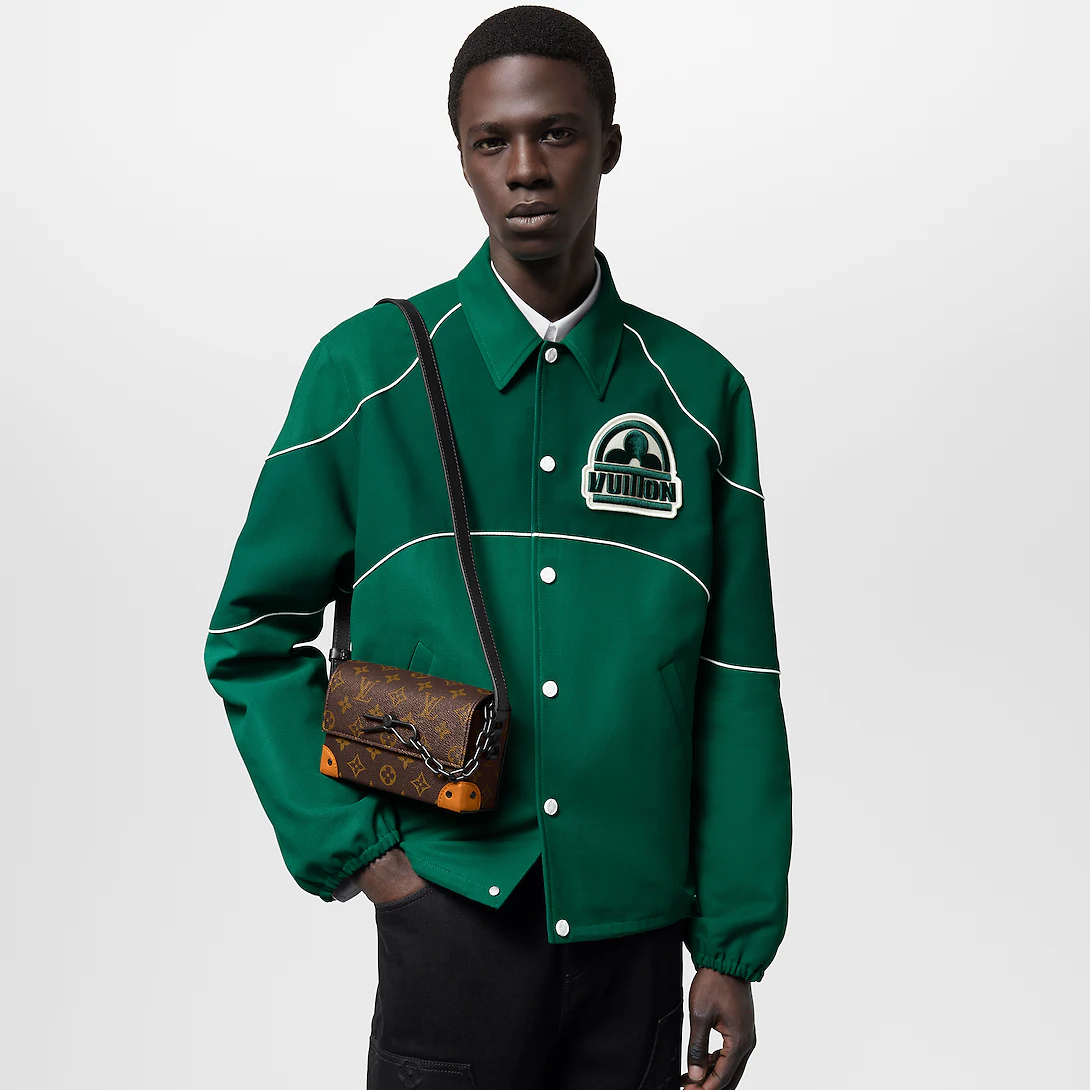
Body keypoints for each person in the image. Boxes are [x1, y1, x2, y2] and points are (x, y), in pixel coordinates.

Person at [204, 6, 792, 1088]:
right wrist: (369, 862)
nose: (526, 169)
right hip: (451, 915)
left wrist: (730, 941)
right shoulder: (367, 370)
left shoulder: (701, 397)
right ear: (464, 157)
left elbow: (736, 679)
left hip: (636, 933)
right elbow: (250, 635)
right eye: (493, 141)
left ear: (609, 143)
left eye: (557, 133)